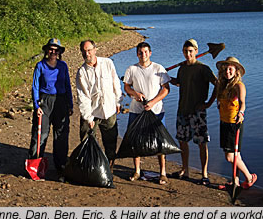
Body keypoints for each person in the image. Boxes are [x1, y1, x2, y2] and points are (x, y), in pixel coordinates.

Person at [170, 38, 217, 185]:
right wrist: (163, 76)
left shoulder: (203, 68)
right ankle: (185, 170)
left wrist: (209, 103)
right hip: (182, 110)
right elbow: (179, 83)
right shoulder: (182, 68)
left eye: (190, 51)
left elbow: (218, 84)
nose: (188, 54)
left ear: (196, 51)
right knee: (182, 141)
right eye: (185, 51)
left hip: (198, 112)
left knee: (202, 142)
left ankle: (204, 174)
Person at [123, 42, 171, 185]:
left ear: (150, 53)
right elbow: (127, 86)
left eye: (145, 52)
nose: (143, 55)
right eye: (140, 52)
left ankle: (163, 173)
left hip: (156, 111)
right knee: (135, 141)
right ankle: (137, 170)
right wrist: (134, 93)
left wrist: (153, 102)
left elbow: (166, 89)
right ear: (137, 54)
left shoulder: (159, 68)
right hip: (136, 110)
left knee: (160, 142)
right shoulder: (131, 69)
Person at [28, 38, 73, 179]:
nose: (53, 52)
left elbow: (67, 85)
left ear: (59, 52)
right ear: (46, 51)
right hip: (45, 101)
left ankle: (61, 166)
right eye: (51, 49)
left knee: (61, 135)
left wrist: (70, 104)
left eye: (56, 50)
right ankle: (35, 164)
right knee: (40, 134)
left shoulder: (63, 66)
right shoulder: (40, 66)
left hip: (60, 101)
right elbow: (35, 86)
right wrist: (36, 106)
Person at [76, 40, 122, 171]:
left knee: (111, 141)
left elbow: (115, 83)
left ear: (95, 49)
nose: (87, 53)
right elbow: (83, 96)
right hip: (92, 111)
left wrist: (118, 101)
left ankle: (109, 168)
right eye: (84, 51)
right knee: (86, 140)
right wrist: (88, 117)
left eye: (89, 50)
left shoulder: (107, 63)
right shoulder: (82, 72)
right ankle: (89, 167)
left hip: (109, 109)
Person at [216, 56, 257, 189]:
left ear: (236, 71)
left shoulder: (239, 86)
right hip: (224, 122)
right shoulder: (223, 85)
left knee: (230, 157)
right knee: (236, 155)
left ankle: (250, 177)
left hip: (234, 123)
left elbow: (242, 102)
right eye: (225, 69)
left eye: (230, 69)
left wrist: (241, 113)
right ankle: (235, 181)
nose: (227, 71)